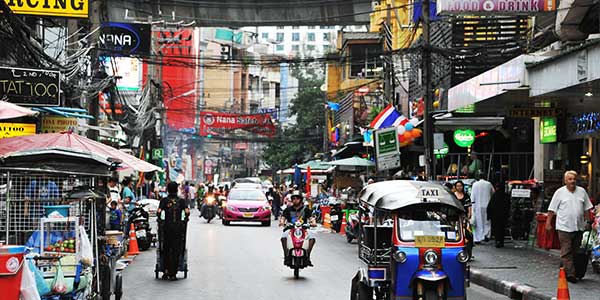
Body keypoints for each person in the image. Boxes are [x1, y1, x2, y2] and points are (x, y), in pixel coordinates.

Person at [546, 170, 593, 283]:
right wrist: (548, 223)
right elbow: (552, 209)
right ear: (565, 181)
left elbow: (586, 207)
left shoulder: (582, 192)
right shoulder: (559, 192)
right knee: (566, 250)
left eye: (574, 179)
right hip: (564, 227)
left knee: (575, 251)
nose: (572, 181)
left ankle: (566, 267)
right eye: (570, 179)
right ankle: (571, 274)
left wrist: (588, 221)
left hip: (578, 227)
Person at [157, 182, 190, 281]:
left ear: (168, 189)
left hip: (166, 228)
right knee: (176, 250)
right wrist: (185, 219)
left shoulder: (164, 200)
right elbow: (187, 212)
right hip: (178, 229)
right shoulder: (181, 201)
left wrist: (161, 220)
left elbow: (159, 212)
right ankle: (173, 273)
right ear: (176, 189)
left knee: (166, 249)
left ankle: (166, 270)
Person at [279, 190, 316, 266]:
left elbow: (311, 218)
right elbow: (283, 217)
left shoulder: (305, 209)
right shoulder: (288, 209)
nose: (295, 200)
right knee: (283, 237)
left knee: (312, 238)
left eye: (297, 198)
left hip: (304, 228)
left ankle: (307, 256)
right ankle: (286, 256)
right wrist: (282, 222)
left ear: (301, 199)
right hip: (290, 228)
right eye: (294, 198)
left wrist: (313, 223)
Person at [471, 173, 494, 243]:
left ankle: (478, 237)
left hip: (477, 205)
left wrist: (472, 204)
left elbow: (472, 196)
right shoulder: (489, 184)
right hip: (487, 204)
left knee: (478, 221)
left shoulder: (475, 184)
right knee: (487, 221)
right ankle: (486, 235)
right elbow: (492, 193)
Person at [487, 182, 511, 248]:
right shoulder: (506, 196)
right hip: (503, 215)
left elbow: (490, 206)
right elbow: (508, 206)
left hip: (495, 216)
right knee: (502, 229)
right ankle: (501, 241)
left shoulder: (495, 196)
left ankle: (497, 240)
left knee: (496, 228)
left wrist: (489, 215)